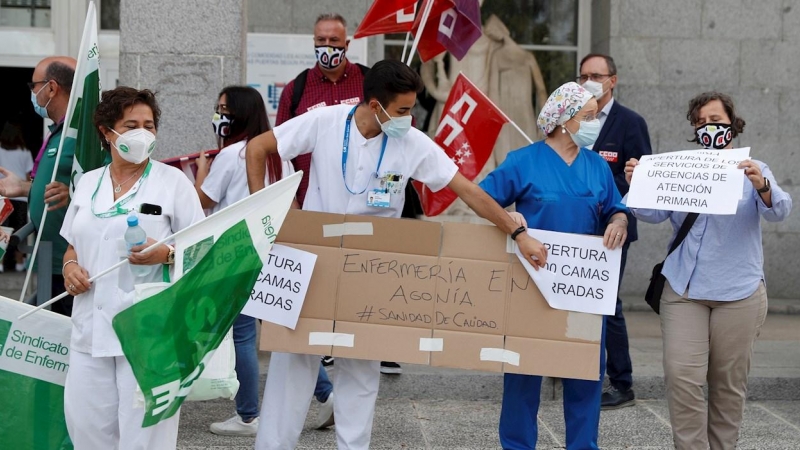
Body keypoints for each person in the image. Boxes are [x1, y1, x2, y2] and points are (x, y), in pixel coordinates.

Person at [245, 59, 547, 450]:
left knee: (361, 371)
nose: (409, 118)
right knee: (293, 364)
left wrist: (517, 232)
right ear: (375, 104)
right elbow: (258, 148)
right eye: (403, 110)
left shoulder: (411, 142)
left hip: (372, 270)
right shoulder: (325, 122)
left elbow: (466, 190)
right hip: (312, 260)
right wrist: (268, 217)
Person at [624, 92, 792, 450]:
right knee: (681, 376)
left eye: (715, 119)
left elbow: (780, 210)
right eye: (700, 122)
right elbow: (650, 213)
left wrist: (760, 183)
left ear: (733, 124)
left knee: (728, 384)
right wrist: (638, 180)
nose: (708, 127)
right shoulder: (682, 166)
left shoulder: (754, 167)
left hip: (739, 292)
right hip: (684, 289)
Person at [480, 81, 628, 450]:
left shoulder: (596, 166)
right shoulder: (523, 161)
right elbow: (484, 199)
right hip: (531, 285)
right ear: (564, 120)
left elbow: (616, 208)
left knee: (584, 375)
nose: (595, 124)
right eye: (588, 117)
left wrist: (618, 222)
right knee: (522, 375)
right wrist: (514, 226)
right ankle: (517, 445)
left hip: (582, 289)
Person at [59, 86, 205, 449]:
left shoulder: (173, 183)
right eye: (131, 125)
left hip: (149, 332)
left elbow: (205, 249)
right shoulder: (88, 183)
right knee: (88, 431)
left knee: (145, 438)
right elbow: (73, 244)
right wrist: (71, 267)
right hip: (89, 331)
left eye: (149, 125)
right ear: (107, 133)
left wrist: (165, 254)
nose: (143, 133)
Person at [193, 85, 336, 435]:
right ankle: (328, 394)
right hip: (273, 248)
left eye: (224, 108)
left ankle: (247, 416)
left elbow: (204, 201)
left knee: (242, 334)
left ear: (239, 113)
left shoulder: (230, 156)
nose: (219, 114)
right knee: (278, 327)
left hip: (237, 251)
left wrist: (200, 169)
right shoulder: (278, 156)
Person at [578, 53, 652, 410]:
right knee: (572, 296)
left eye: (596, 75)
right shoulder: (574, 119)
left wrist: (604, 189)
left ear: (613, 80)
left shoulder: (630, 123)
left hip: (613, 227)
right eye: (583, 75)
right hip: (574, 225)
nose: (589, 80)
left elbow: (642, 175)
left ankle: (622, 382)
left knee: (608, 304)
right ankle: (571, 364)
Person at [0, 56, 78, 315]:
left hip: (68, 263)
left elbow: (106, 183)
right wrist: (23, 188)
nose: (33, 93)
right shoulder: (58, 131)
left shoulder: (82, 133)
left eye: (34, 86)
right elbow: (52, 185)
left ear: (52, 88)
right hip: (50, 261)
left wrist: (74, 194)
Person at [0, 122, 34, 271]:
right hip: (21, 197)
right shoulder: (24, 152)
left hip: (3, 196)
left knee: (2, 229)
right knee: (20, 230)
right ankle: (20, 262)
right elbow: (29, 176)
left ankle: (1, 263)